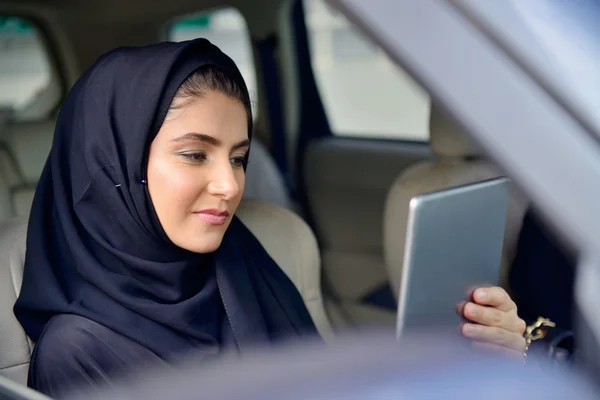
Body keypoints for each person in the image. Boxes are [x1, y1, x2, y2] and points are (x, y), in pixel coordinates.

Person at [12, 38, 526, 398]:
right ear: (113, 166)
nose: (231, 185)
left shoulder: (246, 260)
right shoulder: (76, 354)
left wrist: (485, 362)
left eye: (238, 157)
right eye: (195, 154)